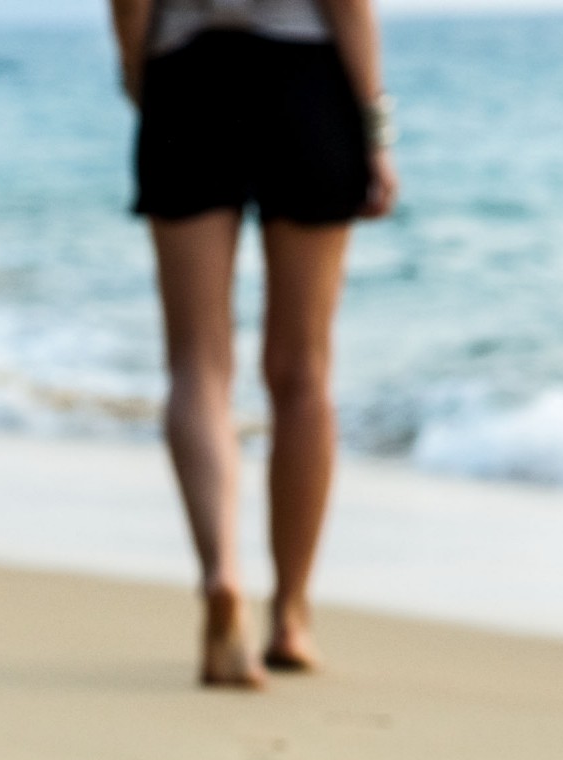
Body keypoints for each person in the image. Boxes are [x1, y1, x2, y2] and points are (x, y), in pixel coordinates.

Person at [109, 0, 399, 686]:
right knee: (303, 373)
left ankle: (221, 578)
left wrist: (140, 74)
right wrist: (376, 128)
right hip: (306, 78)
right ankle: (292, 615)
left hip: (185, 75)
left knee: (198, 367)